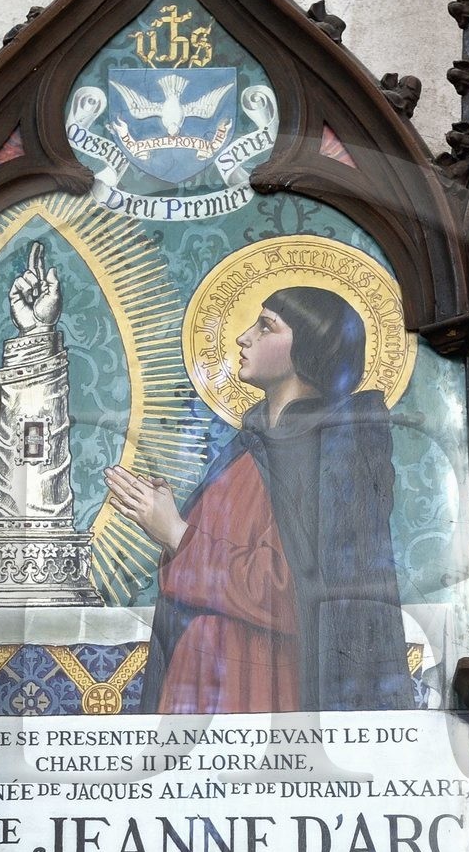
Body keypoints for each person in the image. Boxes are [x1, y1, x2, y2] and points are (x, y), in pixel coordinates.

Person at [106, 285, 412, 713]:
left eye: (266, 326)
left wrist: (177, 533)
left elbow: (286, 593)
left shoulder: (329, 453)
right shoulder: (250, 449)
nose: (243, 337)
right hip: (204, 679)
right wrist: (176, 521)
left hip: (262, 686)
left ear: (310, 346)